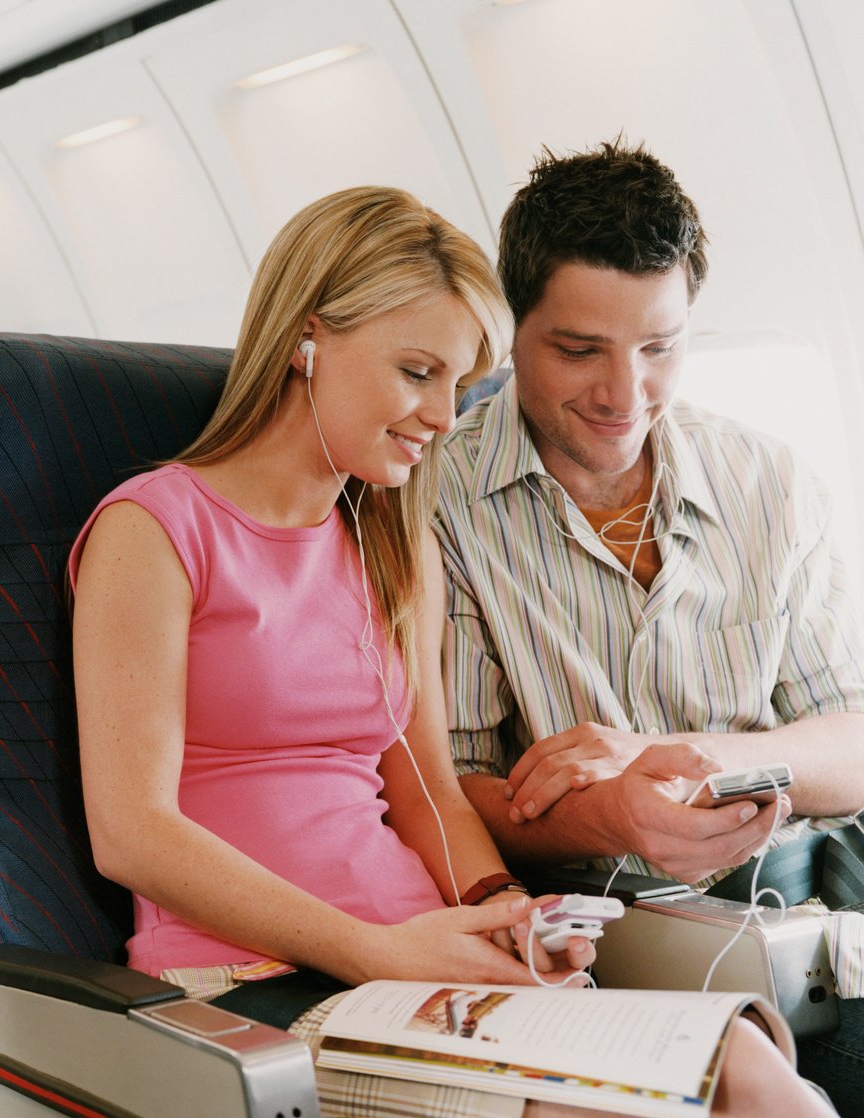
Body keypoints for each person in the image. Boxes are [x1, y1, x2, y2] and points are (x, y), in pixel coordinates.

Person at [70, 186, 826, 1117]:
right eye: (417, 372)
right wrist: (376, 950)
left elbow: (424, 785)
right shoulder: (153, 530)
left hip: (419, 959)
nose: (442, 415)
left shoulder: (392, 540)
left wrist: (508, 909)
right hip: (251, 986)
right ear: (308, 338)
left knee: (757, 1078)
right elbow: (132, 834)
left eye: (461, 386)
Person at [435, 140, 864, 1107]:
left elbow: (854, 737)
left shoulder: (770, 482)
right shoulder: (438, 503)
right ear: (513, 330)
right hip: (605, 924)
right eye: (580, 351)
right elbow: (446, 791)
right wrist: (611, 812)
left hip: (810, 900)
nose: (624, 396)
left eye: (660, 349)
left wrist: (678, 756)